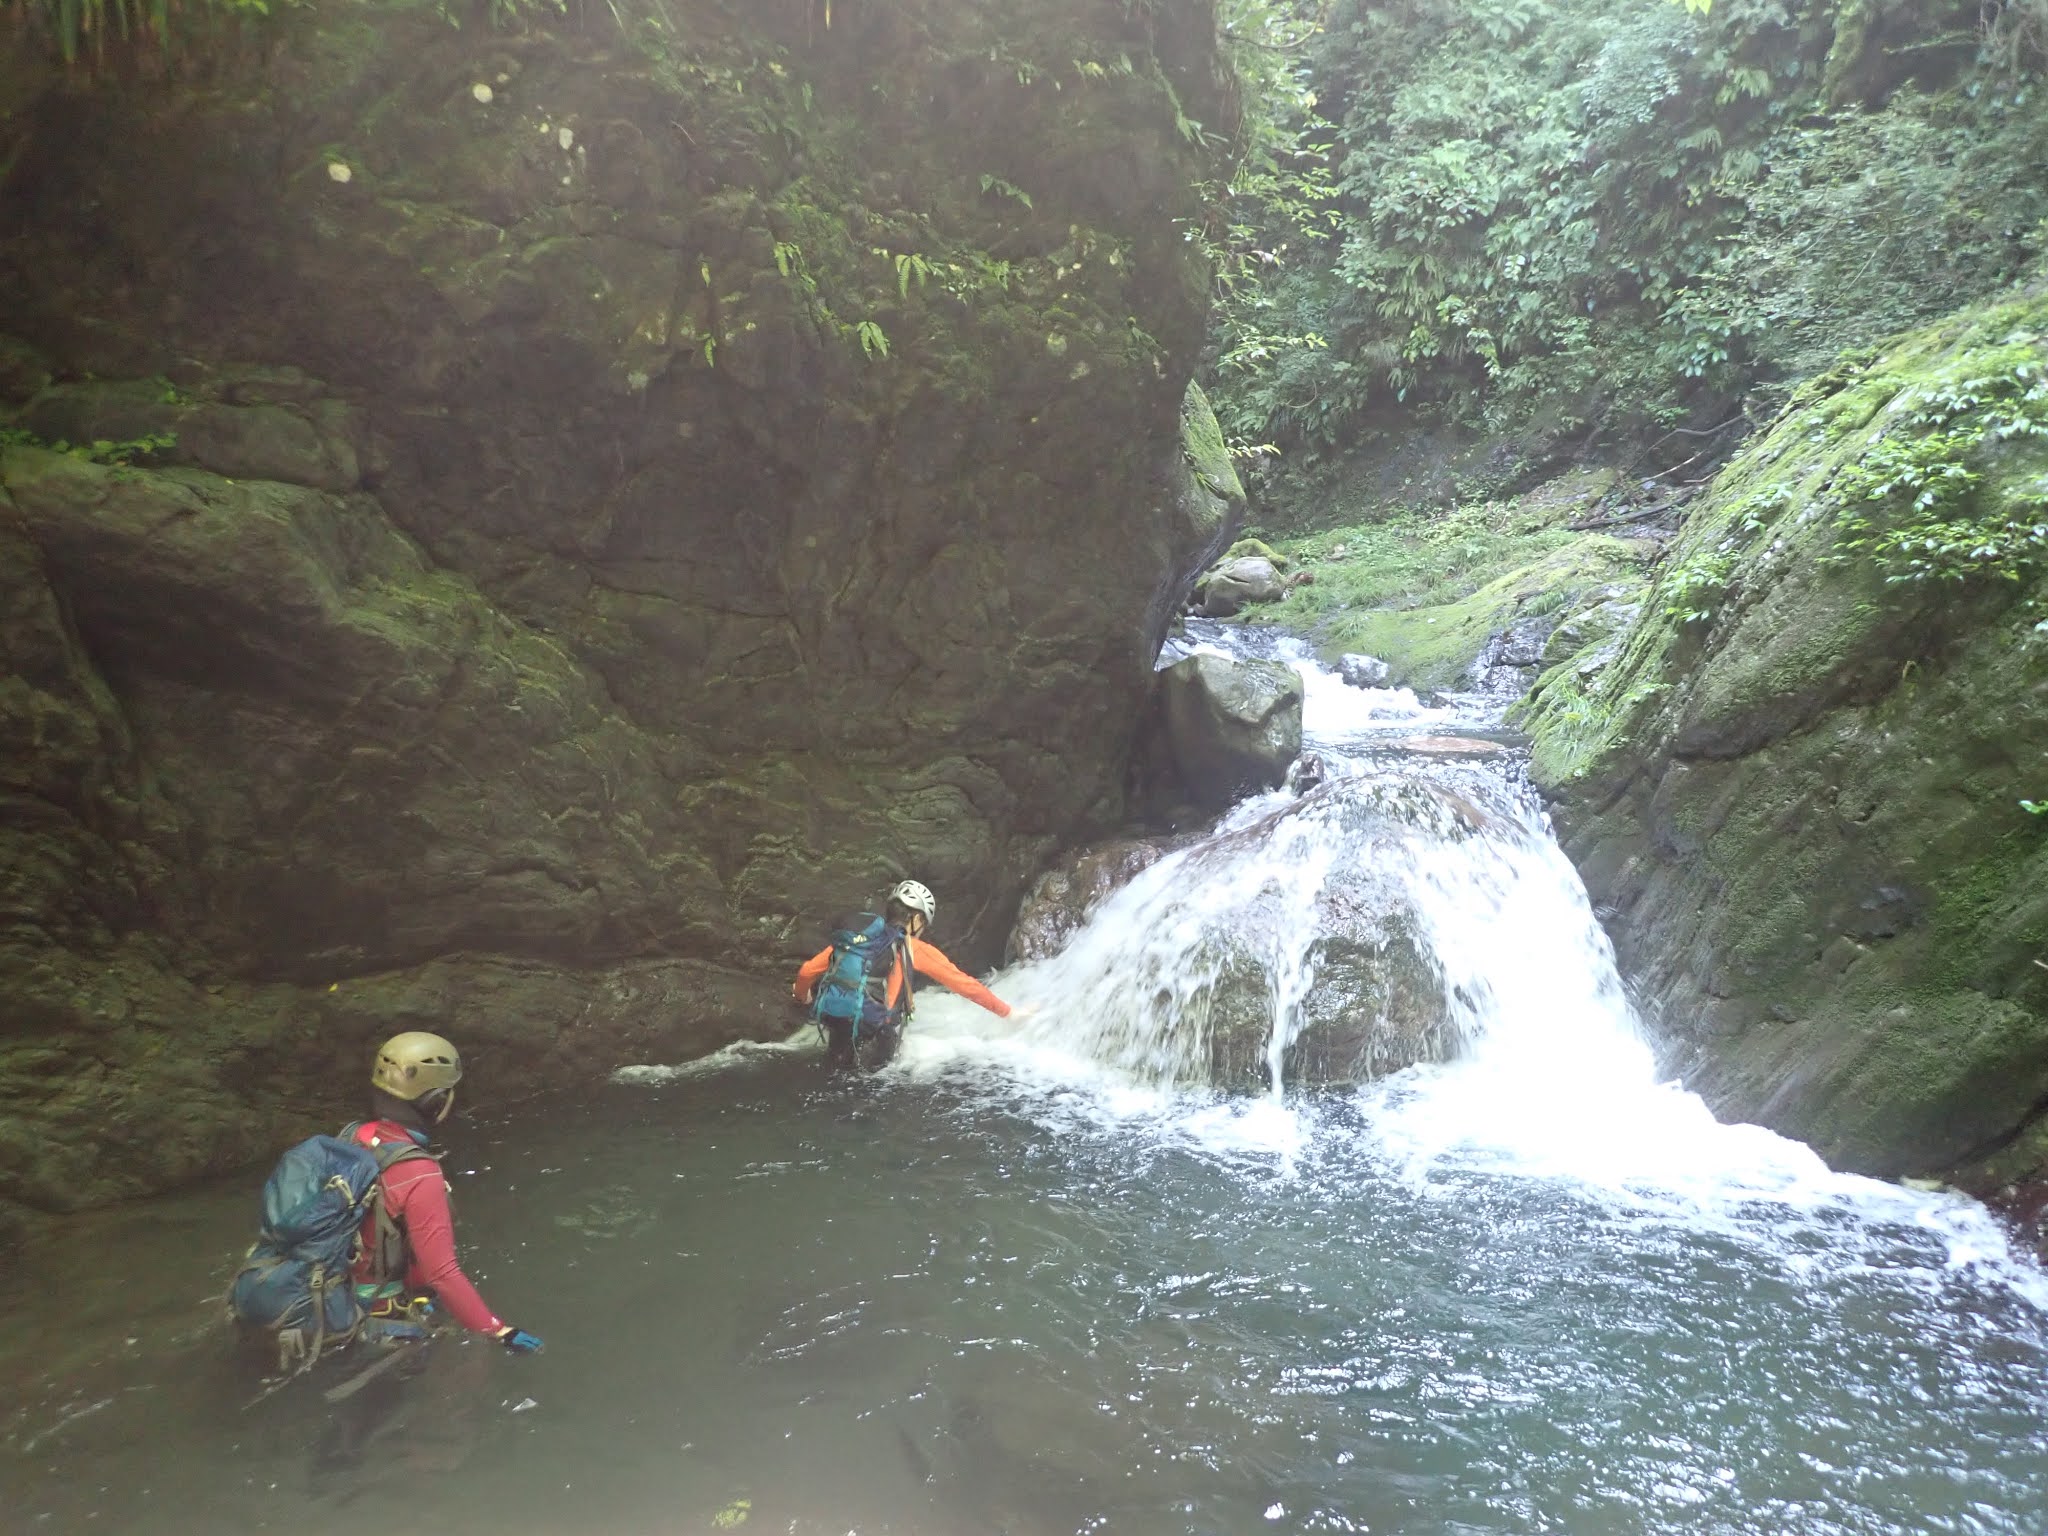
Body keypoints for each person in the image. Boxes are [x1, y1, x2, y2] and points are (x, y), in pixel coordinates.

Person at [347, 1031, 544, 1354]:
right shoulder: (420, 1172)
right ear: (435, 1101)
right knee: (468, 1369)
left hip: (327, 1290)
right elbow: (442, 1272)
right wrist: (499, 1331)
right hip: (372, 1314)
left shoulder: (354, 1136)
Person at [792, 879, 1022, 1068]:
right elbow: (965, 985)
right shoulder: (914, 948)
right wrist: (1009, 1013)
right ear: (917, 919)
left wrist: (804, 997)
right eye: (923, 923)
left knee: (835, 1074)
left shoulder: (857, 941)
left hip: (838, 1020)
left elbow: (806, 971)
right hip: (879, 1033)